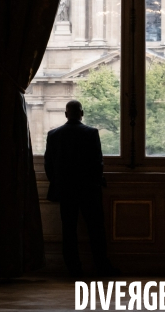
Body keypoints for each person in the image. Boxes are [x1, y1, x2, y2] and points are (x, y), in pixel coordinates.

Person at [44, 99, 117, 278]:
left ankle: (73, 269)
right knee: (96, 230)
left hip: (65, 190)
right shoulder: (91, 133)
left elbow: (48, 164)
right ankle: (101, 266)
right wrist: (96, 181)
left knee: (68, 230)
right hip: (88, 190)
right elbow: (97, 162)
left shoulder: (54, 135)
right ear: (82, 114)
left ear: (66, 114)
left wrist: (57, 182)